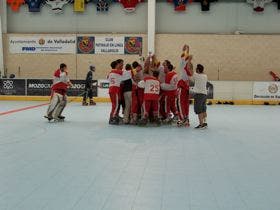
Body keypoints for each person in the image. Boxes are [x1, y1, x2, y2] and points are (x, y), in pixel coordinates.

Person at [177, 44, 192, 127]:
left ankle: (183, 119)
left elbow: (183, 56)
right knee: (186, 103)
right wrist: (188, 50)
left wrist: (184, 50)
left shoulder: (184, 64)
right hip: (187, 86)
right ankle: (186, 118)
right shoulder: (189, 68)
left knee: (180, 103)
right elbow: (186, 57)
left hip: (182, 85)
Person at [189, 64, 208, 129]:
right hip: (204, 94)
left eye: (196, 69)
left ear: (198, 70)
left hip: (199, 95)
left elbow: (190, 69)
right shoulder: (205, 76)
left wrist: (189, 61)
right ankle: (205, 123)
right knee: (203, 109)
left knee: (199, 110)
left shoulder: (196, 75)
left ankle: (201, 124)